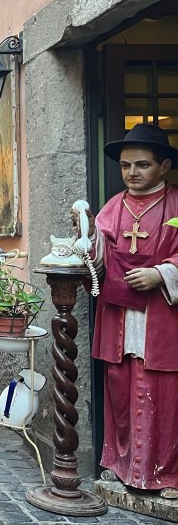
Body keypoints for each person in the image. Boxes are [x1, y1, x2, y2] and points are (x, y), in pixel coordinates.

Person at [85, 122, 178, 499]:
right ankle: (119, 463)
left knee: (167, 395)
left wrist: (162, 273)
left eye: (142, 164)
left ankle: (169, 475)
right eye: (125, 166)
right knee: (120, 389)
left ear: (164, 166)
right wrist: (87, 239)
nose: (132, 173)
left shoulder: (176, 204)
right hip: (120, 318)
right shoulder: (113, 207)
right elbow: (97, 257)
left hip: (163, 318)